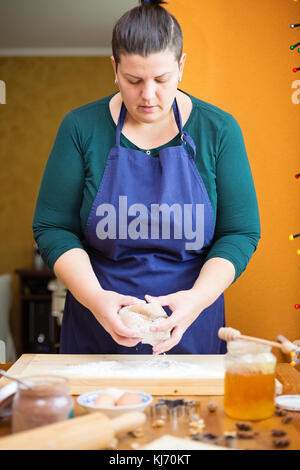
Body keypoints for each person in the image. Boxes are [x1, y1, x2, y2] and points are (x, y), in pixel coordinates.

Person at [32, 0, 261, 356]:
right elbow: (52, 227)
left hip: (190, 326)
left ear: (181, 66)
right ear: (115, 68)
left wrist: (196, 301)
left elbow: (240, 232)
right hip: (98, 328)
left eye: (162, 79)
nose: (149, 95)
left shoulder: (219, 130)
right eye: (134, 80)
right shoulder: (81, 127)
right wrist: (95, 299)